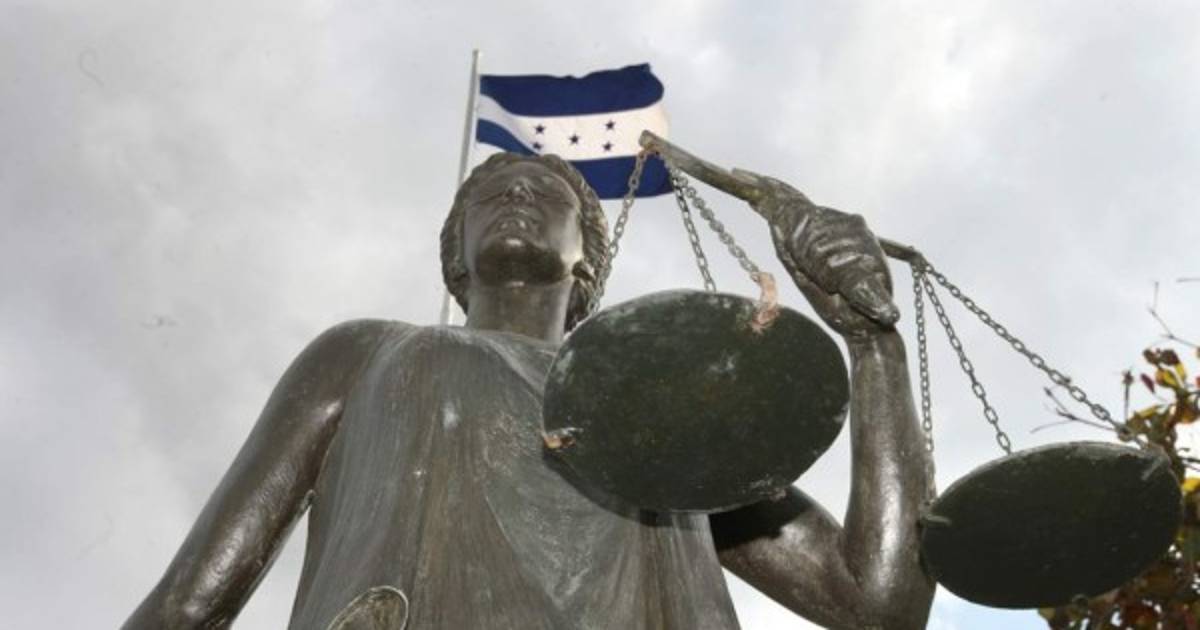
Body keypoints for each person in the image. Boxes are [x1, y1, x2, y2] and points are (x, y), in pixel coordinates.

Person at [124, 152, 934, 630]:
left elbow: (877, 604)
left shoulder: (654, 412)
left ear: (588, 262)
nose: (515, 195)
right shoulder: (364, 353)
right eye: (488, 195)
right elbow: (189, 605)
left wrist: (872, 342)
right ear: (455, 258)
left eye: (549, 196)